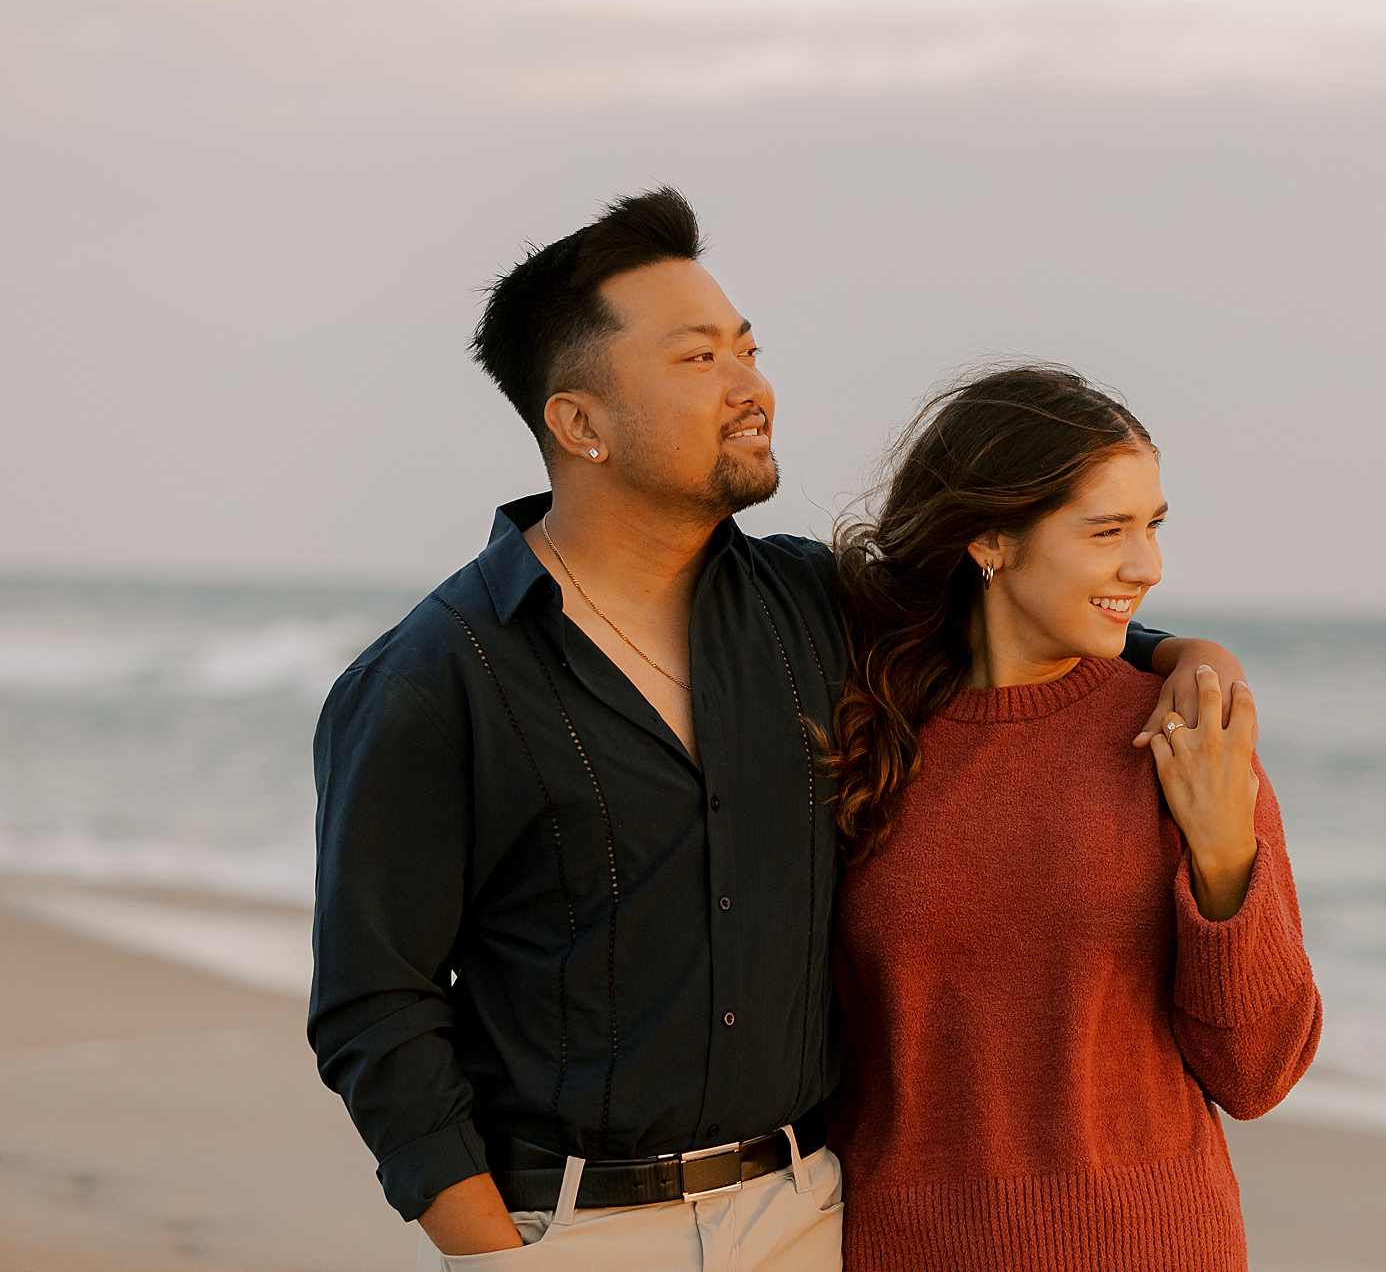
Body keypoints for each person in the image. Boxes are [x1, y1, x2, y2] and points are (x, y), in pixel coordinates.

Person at [309, 188, 1247, 1270]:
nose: (750, 387)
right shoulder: (434, 678)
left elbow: (1014, 603)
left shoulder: (815, 603)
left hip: (810, 1217)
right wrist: (494, 1252)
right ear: (579, 424)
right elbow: (374, 1005)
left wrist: (1186, 659)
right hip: (575, 1232)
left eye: (747, 349)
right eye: (697, 360)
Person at [822, 366, 1322, 1272]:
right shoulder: (864, 731)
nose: (1148, 565)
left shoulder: (1183, 734)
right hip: (904, 1246)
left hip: (1152, 1243)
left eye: (1154, 525)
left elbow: (1259, 1072)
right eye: (1107, 531)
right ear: (989, 540)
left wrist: (1222, 855)